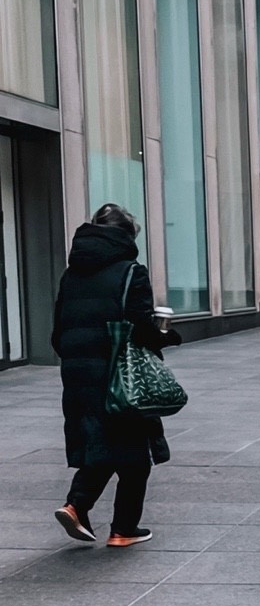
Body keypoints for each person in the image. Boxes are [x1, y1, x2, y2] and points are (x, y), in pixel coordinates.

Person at [51, 204, 180, 548]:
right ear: (126, 236)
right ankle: (123, 528)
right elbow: (141, 328)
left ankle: (76, 505)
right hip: (119, 375)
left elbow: (56, 333)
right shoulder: (130, 272)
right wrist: (167, 335)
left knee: (102, 445)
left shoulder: (70, 275)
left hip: (78, 372)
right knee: (135, 455)